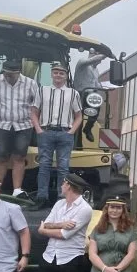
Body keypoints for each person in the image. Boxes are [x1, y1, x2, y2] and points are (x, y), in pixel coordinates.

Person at [0, 58, 41, 195]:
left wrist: (37, 125)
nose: (8, 76)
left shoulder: (30, 84)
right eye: (6, 74)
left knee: (19, 157)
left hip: (23, 125)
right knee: (1, 157)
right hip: (0, 124)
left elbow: (36, 105)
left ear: (19, 72)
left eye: (11, 74)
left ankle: (17, 190)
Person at [35, 61, 82, 205]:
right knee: (44, 166)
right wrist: (39, 130)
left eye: (61, 73)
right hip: (46, 131)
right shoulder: (42, 90)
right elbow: (34, 112)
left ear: (66, 76)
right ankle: (42, 197)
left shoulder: (73, 93)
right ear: (51, 74)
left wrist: (71, 132)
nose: (58, 75)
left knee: (63, 167)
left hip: (64, 133)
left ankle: (62, 199)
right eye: (55, 72)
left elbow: (79, 115)